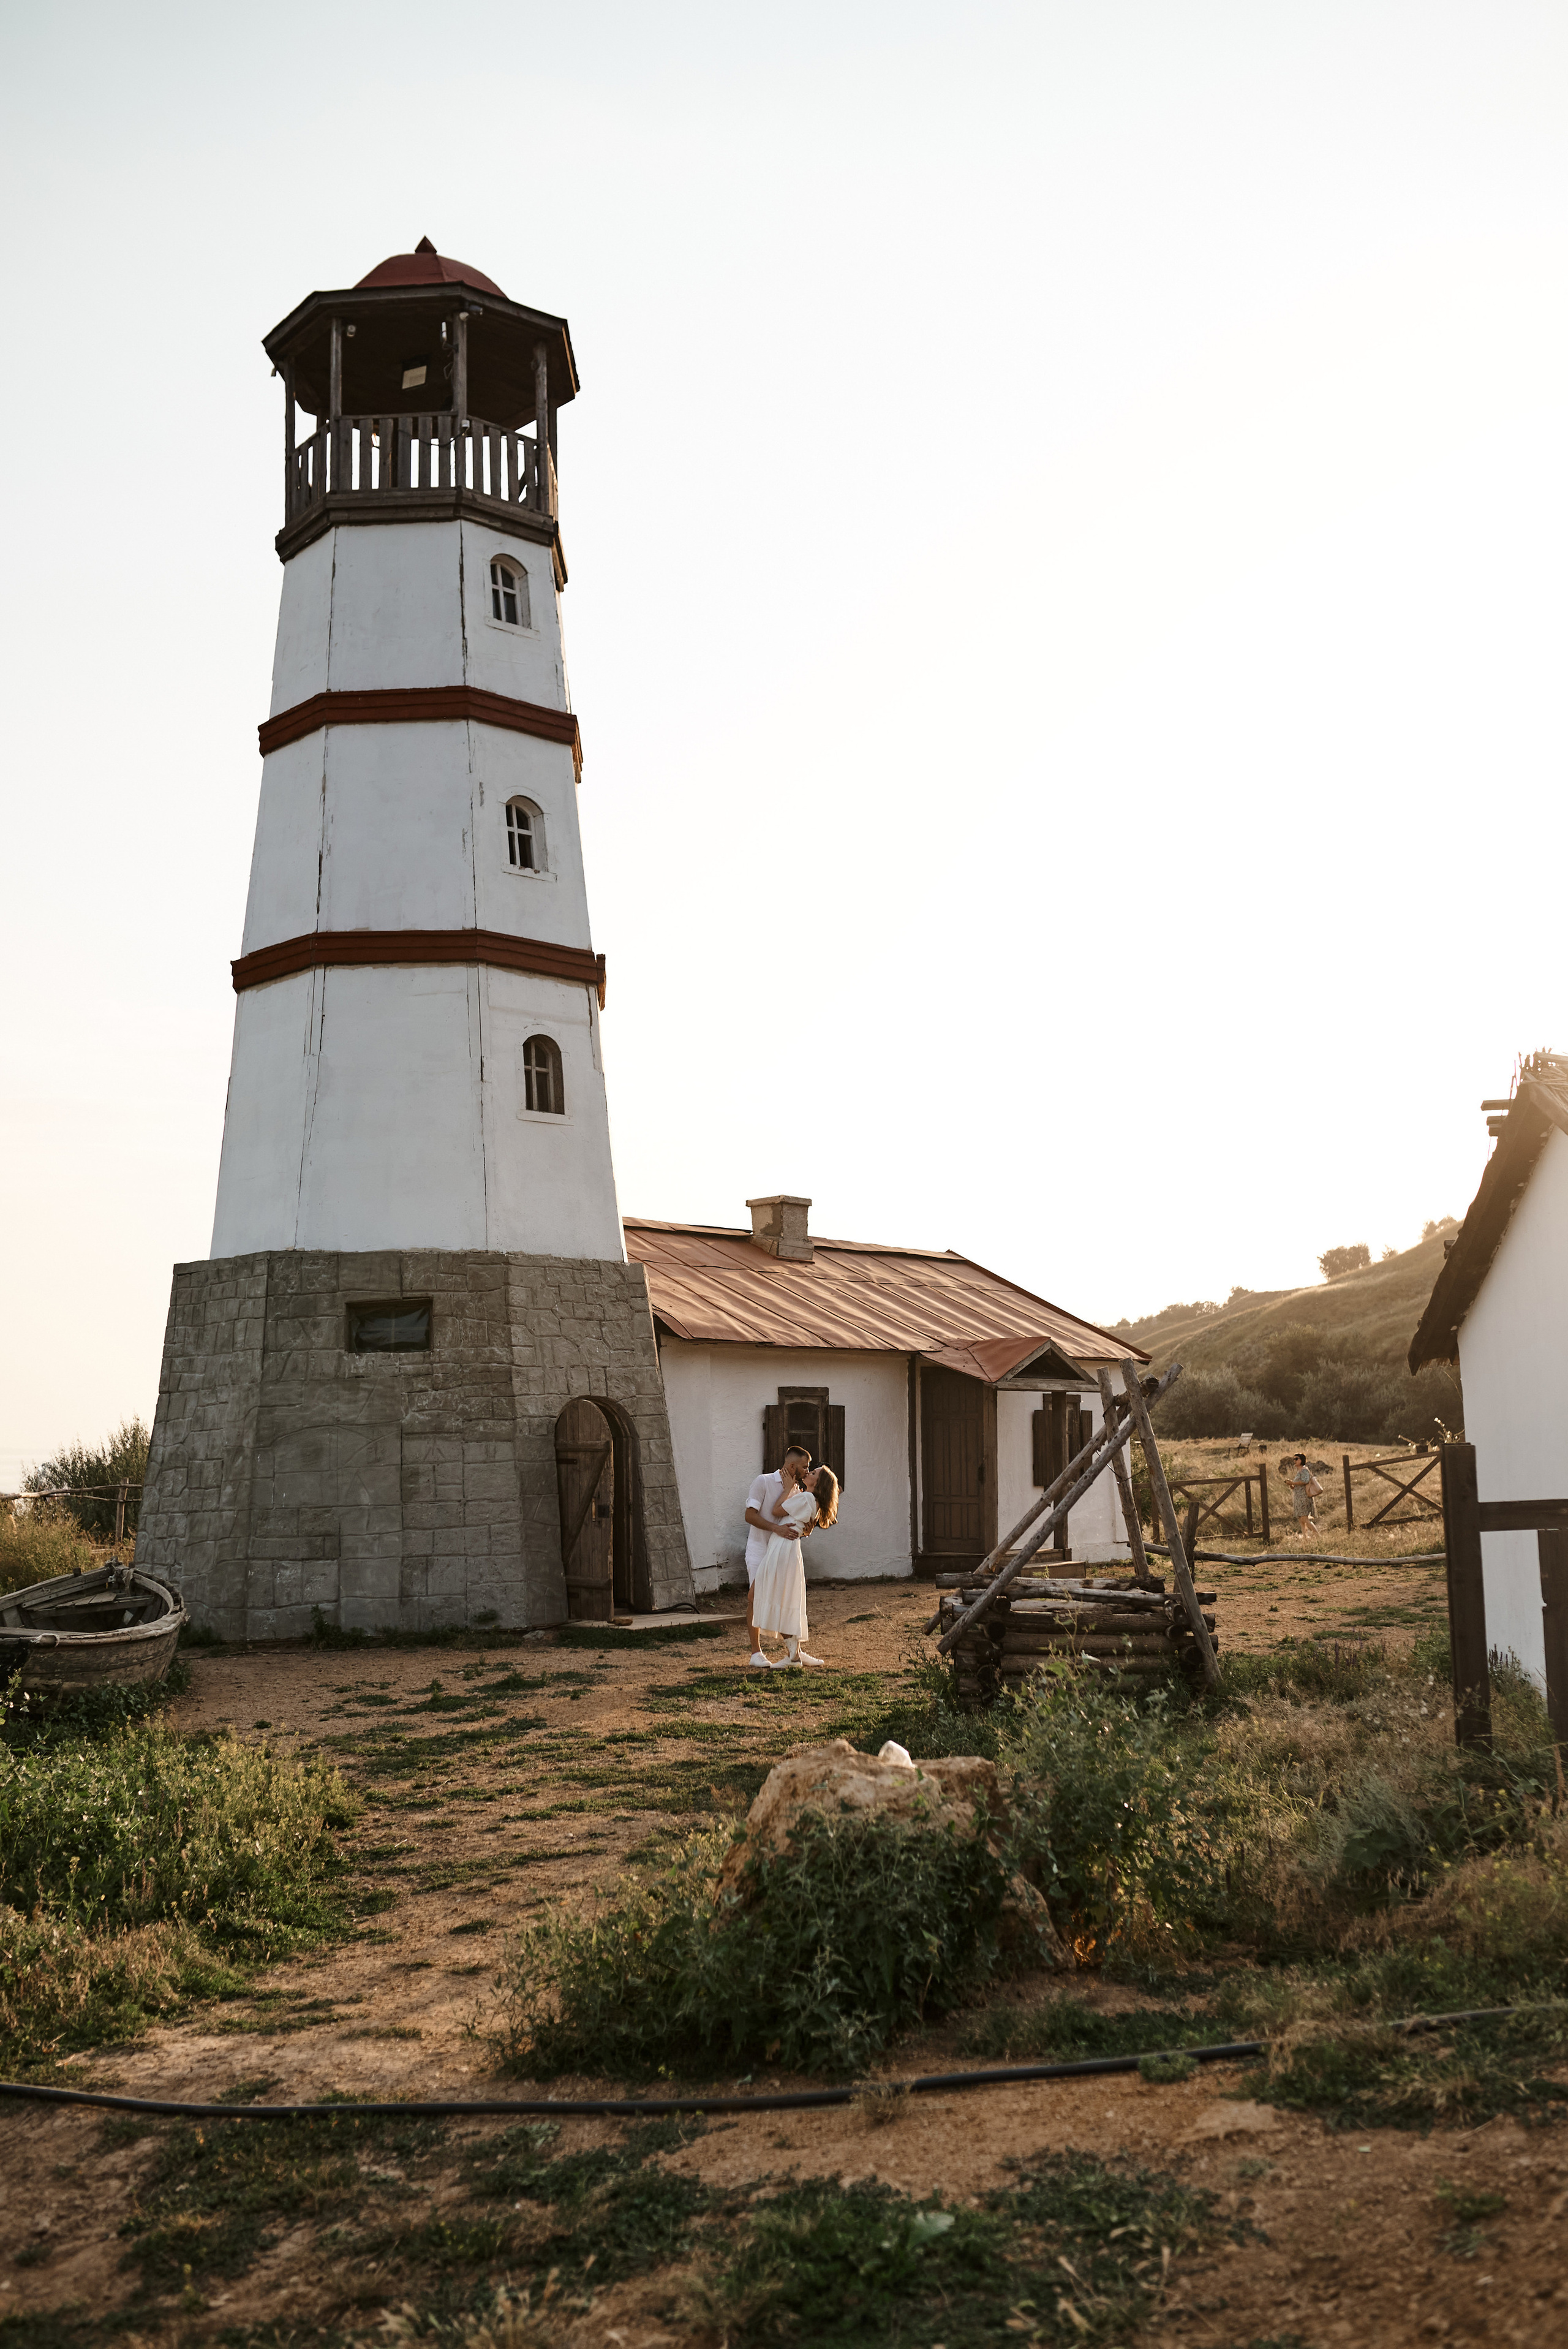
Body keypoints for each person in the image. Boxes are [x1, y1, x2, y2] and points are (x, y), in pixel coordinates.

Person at [752, 1462, 840, 1666]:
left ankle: (793, 1656)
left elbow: (776, 1510)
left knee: (775, 1595)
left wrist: (786, 1489)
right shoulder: (810, 1500)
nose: (810, 1472)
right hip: (787, 1549)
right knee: (780, 1595)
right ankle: (796, 1652)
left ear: (819, 1483)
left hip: (782, 1548)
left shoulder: (808, 1498)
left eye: (815, 1472)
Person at [744, 1446, 811, 1667]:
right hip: (759, 1551)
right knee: (755, 1598)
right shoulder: (762, 1481)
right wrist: (776, 1529)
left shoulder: (797, 1490)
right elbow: (749, 1515)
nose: (806, 1471)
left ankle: (796, 1651)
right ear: (792, 1466)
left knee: (784, 1599)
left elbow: (797, 1523)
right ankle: (756, 1653)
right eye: (804, 1467)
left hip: (781, 1554)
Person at [1287, 1453, 1322, 1539]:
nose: (1294, 1461)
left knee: (1304, 1519)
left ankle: (1318, 1536)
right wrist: (1292, 1485)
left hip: (1304, 1498)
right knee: (1301, 1520)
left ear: (1301, 1460)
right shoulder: (1299, 1472)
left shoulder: (1304, 1470)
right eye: (1294, 1459)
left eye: (1296, 1459)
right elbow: (1299, 1485)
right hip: (1299, 1498)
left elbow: (1306, 1481)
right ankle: (1305, 1539)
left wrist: (1293, 1483)